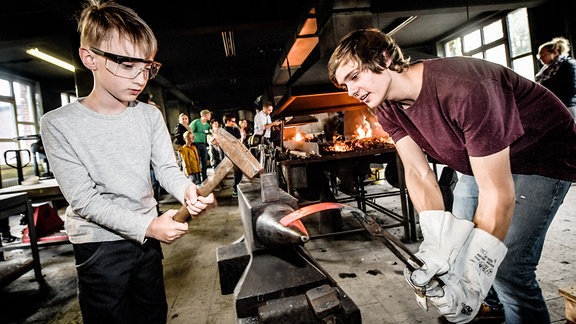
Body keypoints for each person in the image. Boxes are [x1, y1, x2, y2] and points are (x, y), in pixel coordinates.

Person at [327, 28, 576, 323]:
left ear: (384, 57)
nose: (351, 91)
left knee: (506, 266)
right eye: (344, 84)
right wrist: (435, 245)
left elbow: (497, 193)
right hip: (480, 157)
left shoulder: (463, 88)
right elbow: (418, 173)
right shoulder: (386, 106)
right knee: (455, 247)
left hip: (540, 156)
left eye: (354, 76)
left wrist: (473, 276)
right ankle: (491, 306)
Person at [39, 2, 214, 323]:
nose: (140, 78)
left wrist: (187, 190)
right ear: (89, 57)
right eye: (126, 64)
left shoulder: (149, 115)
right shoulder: (58, 123)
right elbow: (84, 199)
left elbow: (165, 169)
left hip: (147, 239)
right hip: (99, 245)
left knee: (152, 314)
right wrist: (148, 225)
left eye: (147, 67)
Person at [535, 36, 576, 119]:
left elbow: (571, 89)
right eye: (539, 56)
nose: (541, 58)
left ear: (555, 52)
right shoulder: (546, 70)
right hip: (553, 106)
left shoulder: (568, 64)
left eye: (543, 54)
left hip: (567, 106)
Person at [223, 113, 243, 198]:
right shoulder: (225, 130)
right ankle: (235, 189)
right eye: (233, 121)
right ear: (227, 121)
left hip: (236, 152)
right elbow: (234, 139)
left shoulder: (233, 128)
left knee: (239, 172)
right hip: (231, 153)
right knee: (237, 172)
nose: (234, 123)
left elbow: (238, 138)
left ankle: (237, 188)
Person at [191, 109, 212, 182]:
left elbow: (209, 133)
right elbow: (190, 131)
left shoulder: (207, 125)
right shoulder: (196, 122)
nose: (210, 116)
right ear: (204, 115)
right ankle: (197, 179)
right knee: (197, 162)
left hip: (203, 144)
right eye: (209, 114)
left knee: (204, 161)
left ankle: (205, 177)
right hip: (195, 144)